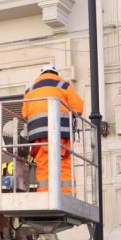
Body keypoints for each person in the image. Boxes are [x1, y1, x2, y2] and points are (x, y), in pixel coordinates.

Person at [21, 63, 85, 193]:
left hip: (38, 136)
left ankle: (45, 193)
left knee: (43, 166)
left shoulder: (29, 90)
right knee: (63, 165)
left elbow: (25, 114)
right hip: (60, 133)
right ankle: (67, 194)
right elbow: (78, 108)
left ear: (40, 75)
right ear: (56, 74)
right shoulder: (63, 85)